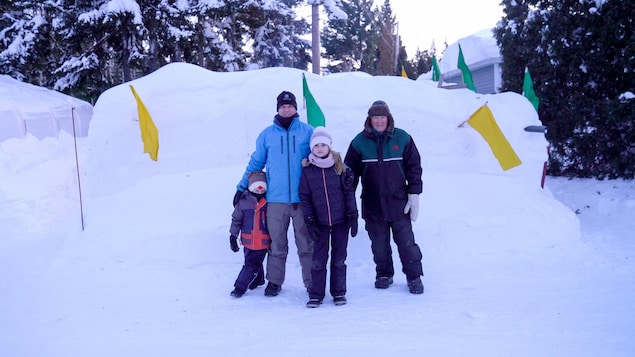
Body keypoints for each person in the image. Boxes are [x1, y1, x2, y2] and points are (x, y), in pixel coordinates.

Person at [233, 91, 314, 297]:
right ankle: (275, 282)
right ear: (278, 109)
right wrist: (242, 187)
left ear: (296, 108)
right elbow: (256, 164)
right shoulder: (267, 135)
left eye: (290, 106)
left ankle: (312, 281)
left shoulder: (308, 132)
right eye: (283, 106)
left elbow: (322, 157)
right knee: (276, 245)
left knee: (306, 244)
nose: (286, 109)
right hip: (275, 201)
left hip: (302, 199)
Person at [344, 100, 425, 294]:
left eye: (382, 117)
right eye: (375, 117)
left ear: (388, 119)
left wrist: (414, 193)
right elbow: (349, 173)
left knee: (406, 243)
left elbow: (414, 167)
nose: (379, 121)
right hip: (372, 204)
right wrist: (347, 199)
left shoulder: (402, 138)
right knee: (379, 245)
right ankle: (384, 274)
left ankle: (414, 276)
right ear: (369, 119)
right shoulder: (359, 142)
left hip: (399, 202)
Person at [299, 127, 358, 308]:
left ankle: (339, 292)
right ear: (312, 148)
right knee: (318, 260)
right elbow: (305, 197)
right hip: (320, 223)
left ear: (329, 147)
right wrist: (309, 219)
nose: (320, 148)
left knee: (339, 258)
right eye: (317, 145)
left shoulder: (340, 167)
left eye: (324, 145)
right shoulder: (308, 170)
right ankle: (316, 294)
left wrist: (353, 214)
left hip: (341, 221)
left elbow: (349, 193)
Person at [229, 171, 270, 298]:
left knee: (250, 265)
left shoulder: (268, 203)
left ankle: (239, 287)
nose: (259, 192)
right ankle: (259, 279)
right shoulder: (243, 203)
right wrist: (233, 236)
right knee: (252, 261)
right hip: (247, 241)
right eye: (256, 189)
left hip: (263, 241)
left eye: (262, 189)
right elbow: (236, 220)